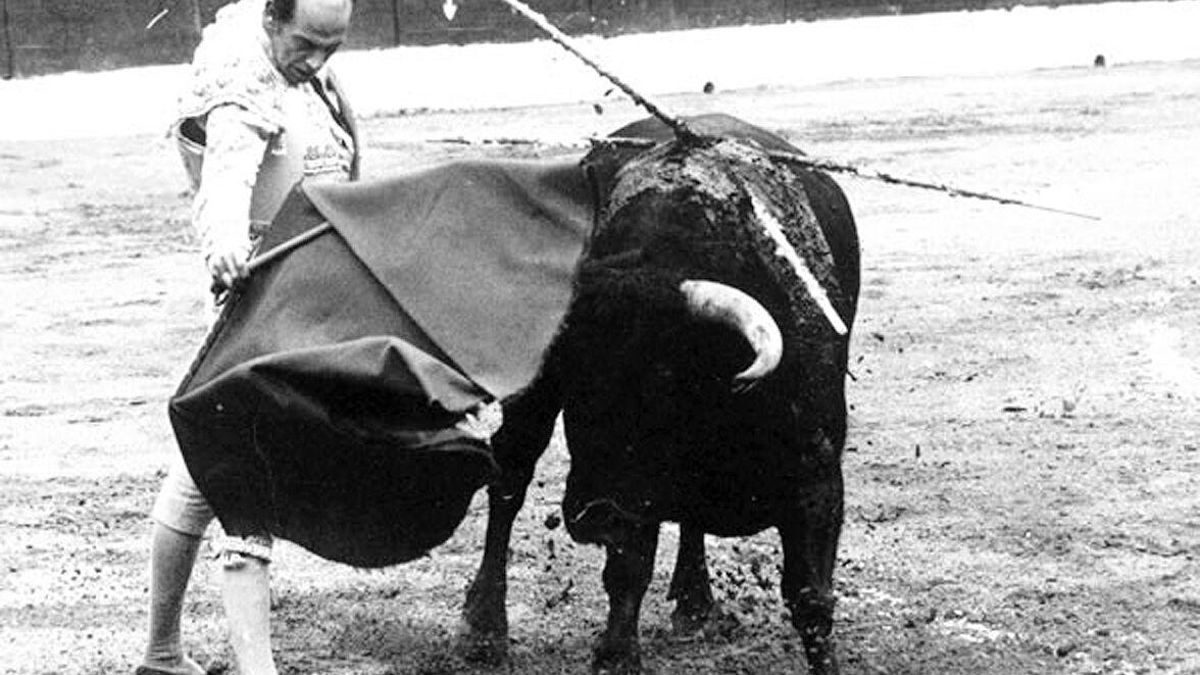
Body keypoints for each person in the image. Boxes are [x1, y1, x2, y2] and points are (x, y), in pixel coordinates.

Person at [136, 1, 357, 674]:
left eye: (333, 46)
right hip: (258, 302)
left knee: (203, 475)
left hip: (305, 297)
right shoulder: (242, 81)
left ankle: (163, 652)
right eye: (308, 43)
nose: (319, 59)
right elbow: (227, 183)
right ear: (271, 21)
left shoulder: (299, 67)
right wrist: (226, 250)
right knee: (248, 473)